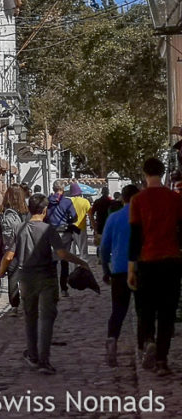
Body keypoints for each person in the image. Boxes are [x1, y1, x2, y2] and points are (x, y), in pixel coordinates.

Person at [0, 193, 91, 374]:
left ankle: (32, 355)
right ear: (45, 210)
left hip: (27, 278)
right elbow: (62, 254)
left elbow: (9, 256)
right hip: (47, 277)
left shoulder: (20, 229)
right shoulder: (49, 230)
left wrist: (1, 272)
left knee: (30, 317)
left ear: (29, 209)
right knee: (47, 318)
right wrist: (81, 262)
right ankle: (44, 360)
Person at [128, 157, 182, 374]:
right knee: (168, 311)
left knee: (147, 308)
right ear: (162, 172)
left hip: (147, 261)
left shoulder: (138, 200)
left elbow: (135, 237)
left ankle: (148, 339)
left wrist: (131, 269)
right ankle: (161, 360)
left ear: (145, 173)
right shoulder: (175, 199)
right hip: (171, 260)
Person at [100, 183, 139, 367]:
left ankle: (112, 342)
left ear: (122, 198)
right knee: (144, 310)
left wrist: (106, 270)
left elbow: (104, 247)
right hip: (141, 270)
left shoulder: (114, 218)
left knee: (118, 311)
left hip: (119, 271)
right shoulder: (142, 216)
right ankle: (146, 344)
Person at [0, 185, 29, 310]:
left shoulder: (3, 210)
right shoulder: (25, 210)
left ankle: (14, 306)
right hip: (25, 248)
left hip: (9, 248)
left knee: (12, 277)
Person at [44, 181, 78, 297]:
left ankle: (52, 287)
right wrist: (69, 221)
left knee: (52, 262)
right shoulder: (67, 202)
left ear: (53, 189)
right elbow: (74, 217)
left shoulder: (47, 201)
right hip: (64, 233)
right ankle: (63, 288)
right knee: (64, 261)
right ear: (63, 189)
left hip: (51, 233)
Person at [67, 182, 91, 257]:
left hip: (69, 229)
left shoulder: (67, 201)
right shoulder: (85, 201)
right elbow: (90, 216)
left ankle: (72, 268)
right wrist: (94, 227)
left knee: (71, 253)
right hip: (81, 228)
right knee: (83, 251)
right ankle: (84, 267)